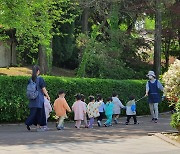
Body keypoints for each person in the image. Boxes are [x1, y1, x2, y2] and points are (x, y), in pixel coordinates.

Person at [25, 65, 50, 132]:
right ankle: (39, 126)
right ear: (38, 71)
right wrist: (47, 95)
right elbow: (43, 88)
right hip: (39, 99)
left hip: (32, 98)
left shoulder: (30, 79)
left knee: (33, 113)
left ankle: (29, 123)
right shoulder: (40, 79)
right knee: (40, 113)